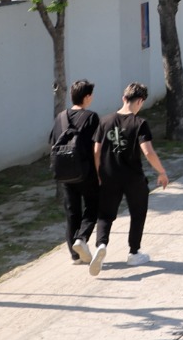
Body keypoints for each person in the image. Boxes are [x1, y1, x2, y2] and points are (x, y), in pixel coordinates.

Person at [86, 82, 170, 274]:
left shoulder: (105, 121)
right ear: (140, 101)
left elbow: (96, 151)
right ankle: (134, 252)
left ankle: (101, 245)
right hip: (133, 177)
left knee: (105, 214)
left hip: (109, 176)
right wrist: (162, 172)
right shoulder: (139, 123)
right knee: (138, 213)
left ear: (124, 98)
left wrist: (98, 174)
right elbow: (148, 152)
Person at [47, 79, 103, 265]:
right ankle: (82, 238)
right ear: (86, 97)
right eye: (91, 95)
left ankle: (75, 255)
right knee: (93, 206)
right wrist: (100, 172)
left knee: (72, 212)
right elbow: (96, 148)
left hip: (65, 172)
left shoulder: (60, 117)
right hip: (86, 172)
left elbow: (53, 142)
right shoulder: (91, 117)